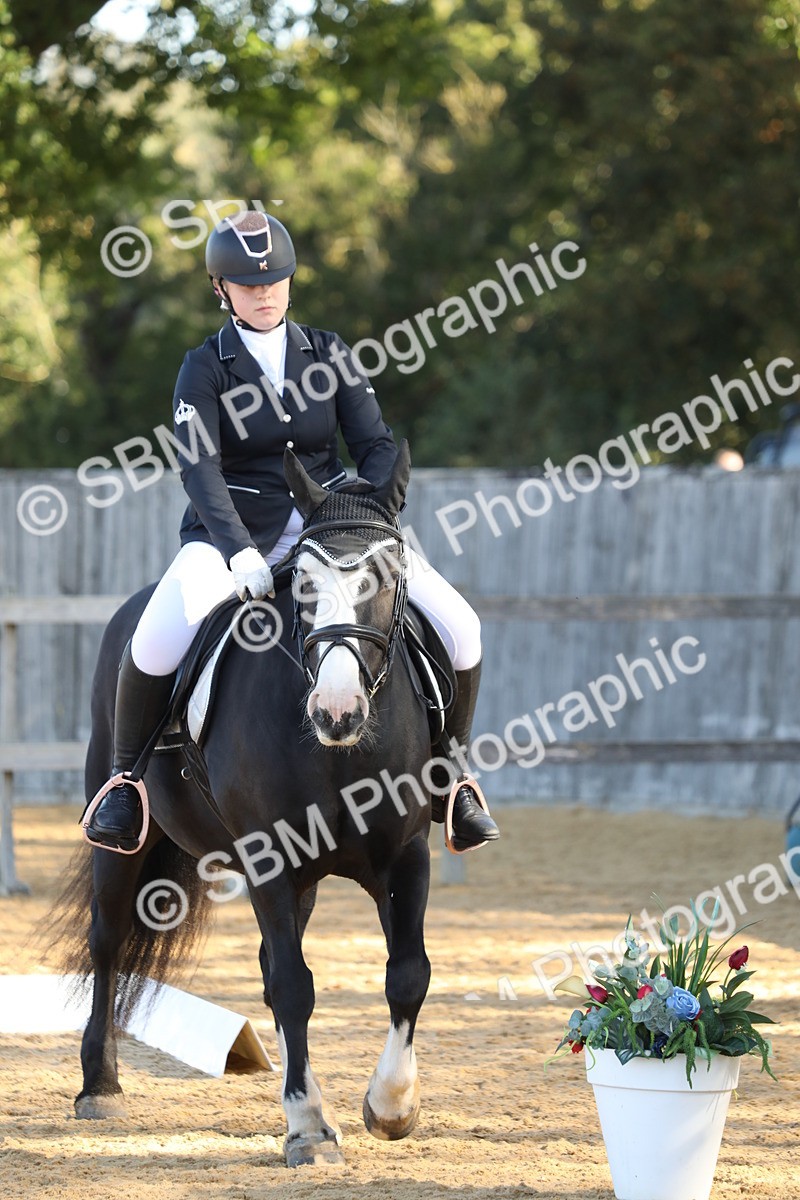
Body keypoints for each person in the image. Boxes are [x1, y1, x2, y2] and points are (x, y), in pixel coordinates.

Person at [85, 211, 500, 855]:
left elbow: (375, 445)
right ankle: (125, 784)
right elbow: (199, 469)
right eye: (250, 285)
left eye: (275, 281)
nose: (265, 294)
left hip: (334, 531)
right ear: (222, 289)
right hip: (230, 536)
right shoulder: (204, 367)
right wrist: (237, 551)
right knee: (154, 640)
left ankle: (453, 777)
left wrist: (369, 517)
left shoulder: (328, 354)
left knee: (461, 625)